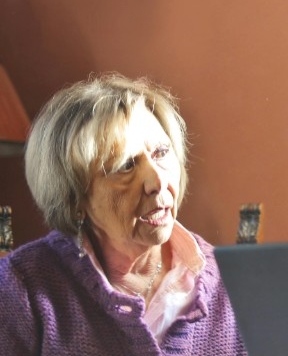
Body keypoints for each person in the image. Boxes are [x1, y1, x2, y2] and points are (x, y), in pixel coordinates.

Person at [0, 74, 245, 355]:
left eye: (161, 152)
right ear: (74, 196)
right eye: (126, 165)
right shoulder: (22, 288)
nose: (157, 182)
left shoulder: (232, 284)